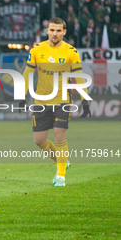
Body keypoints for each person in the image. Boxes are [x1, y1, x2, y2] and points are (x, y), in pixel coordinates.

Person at [21, 17, 91, 187]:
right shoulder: (37, 49)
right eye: (52, 30)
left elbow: (79, 78)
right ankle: (62, 162)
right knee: (39, 140)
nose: (55, 33)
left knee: (60, 136)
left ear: (64, 32)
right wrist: (21, 95)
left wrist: (85, 100)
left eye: (59, 30)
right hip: (40, 101)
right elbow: (28, 73)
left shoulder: (71, 51)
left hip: (62, 100)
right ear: (47, 31)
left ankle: (61, 176)